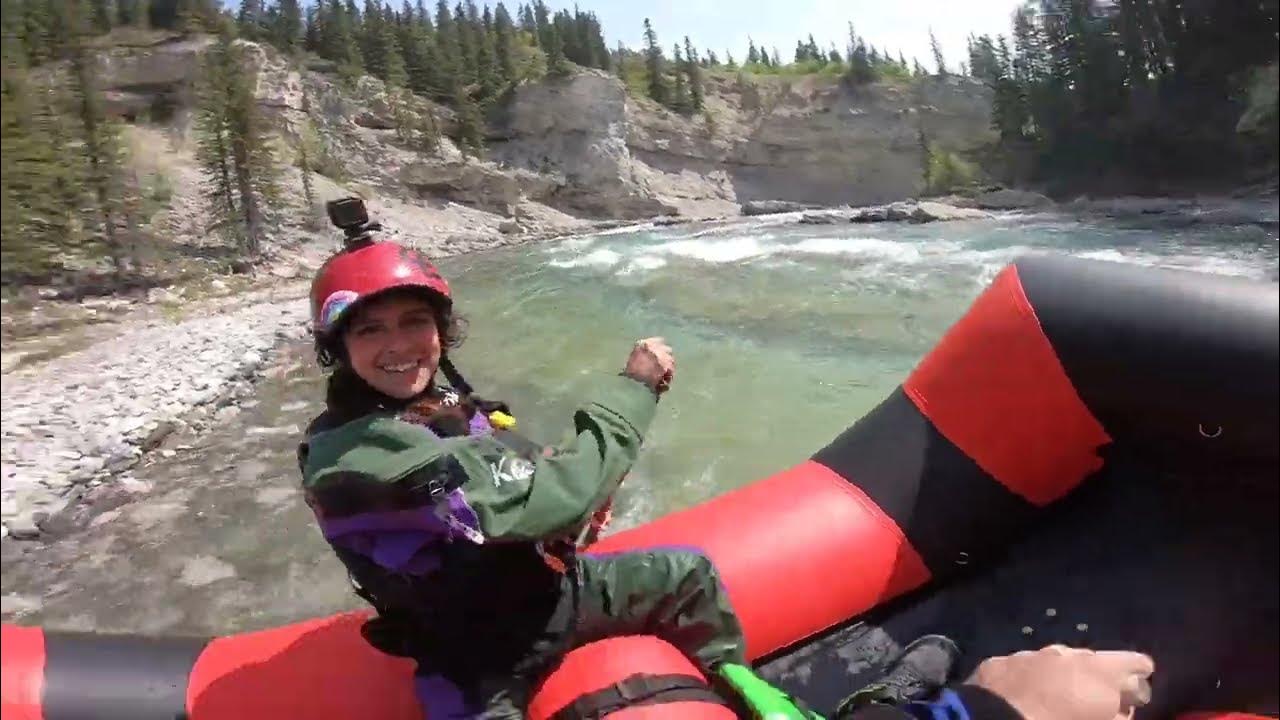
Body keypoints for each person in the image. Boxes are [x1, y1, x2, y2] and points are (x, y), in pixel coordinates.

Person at [296, 204, 778, 719]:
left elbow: (508, 458)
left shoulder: (425, 404)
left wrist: (568, 485)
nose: (398, 345)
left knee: (689, 575)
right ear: (340, 348)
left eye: (415, 322)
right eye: (370, 330)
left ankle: (739, 693)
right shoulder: (359, 456)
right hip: (475, 659)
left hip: (548, 597)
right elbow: (537, 494)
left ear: (440, 330)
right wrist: (635, 390)